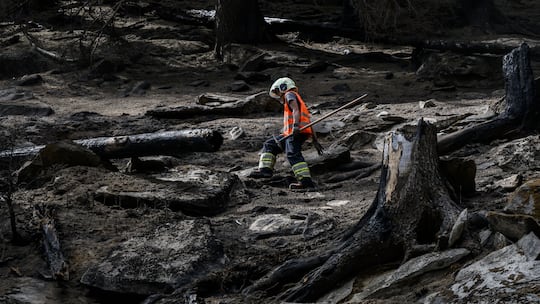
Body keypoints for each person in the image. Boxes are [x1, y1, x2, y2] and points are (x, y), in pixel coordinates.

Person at [249, 77, 322, 190]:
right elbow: (309, 121)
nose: (278, 96)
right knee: (270, 144)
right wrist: (315, 140)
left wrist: (296, 127)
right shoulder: (297, 98)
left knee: (293, 154)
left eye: (277, 92)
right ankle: (265, 171)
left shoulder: (290, 95)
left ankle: (306, 182)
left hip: (295, 132)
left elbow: (295, 110)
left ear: (283, 87)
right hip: (293, 132)